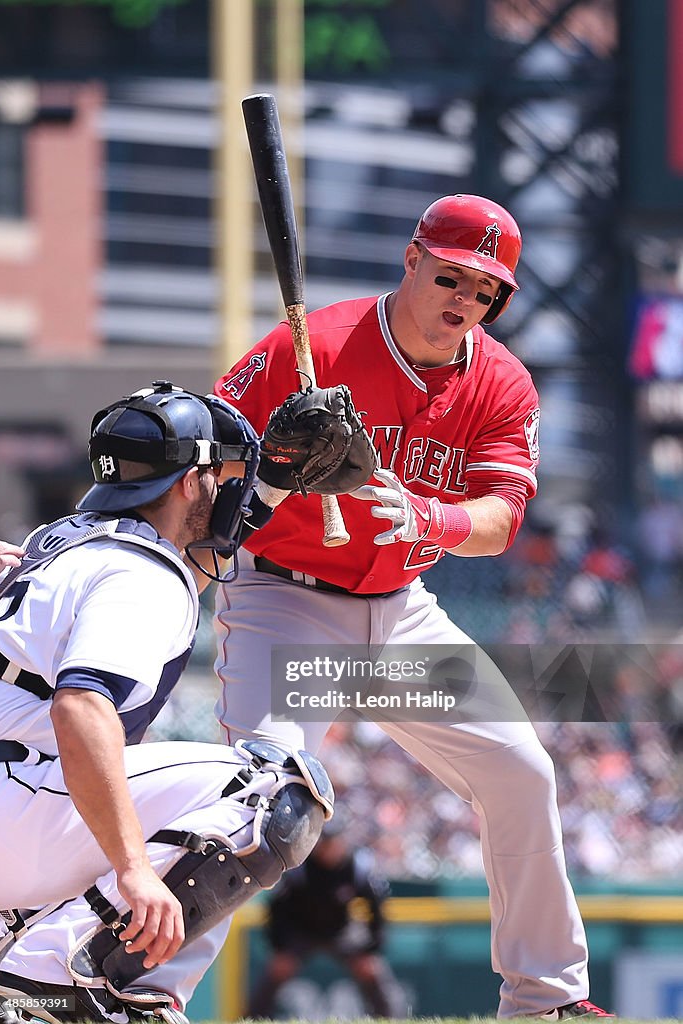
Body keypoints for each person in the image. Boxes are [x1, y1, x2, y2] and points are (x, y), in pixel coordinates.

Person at [212, 195, 613, 1020]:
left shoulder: (499, 379)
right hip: (287, 607)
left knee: (519, 773)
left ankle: (546, 1001)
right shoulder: (309, 349)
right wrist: (270, 472)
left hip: (400, 619)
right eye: (449, 276)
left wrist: (437, 519)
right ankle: (135, 990)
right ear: (411, 260)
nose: (464, 299)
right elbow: (206, 462)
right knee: (262, 804)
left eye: (485, 290)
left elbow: (502, 518)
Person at [0, 381, 335, 1024]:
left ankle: (15, 957)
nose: (229, 488)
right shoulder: (140, 569)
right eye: (221, 474)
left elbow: (189, 562)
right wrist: (133, 872)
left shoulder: (58, 545)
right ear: (186, 482)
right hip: (10, 804)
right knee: (274, 785)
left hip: (8, 802)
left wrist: (275, 486)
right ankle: (43, 973)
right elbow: (81, 710)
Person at [247, 812, 398, 1019]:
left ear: (342, 841)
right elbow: (276, 910)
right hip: (301, 929)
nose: (327, 847)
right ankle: (252, 1019)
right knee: (278, 968)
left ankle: (390, 1019)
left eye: (332, 841)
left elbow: (377, 908)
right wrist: (280, 947)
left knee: (372, 969)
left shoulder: (358, 865)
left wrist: (371, 949)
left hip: (341, 928)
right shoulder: (300, 864)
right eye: (323, 841)